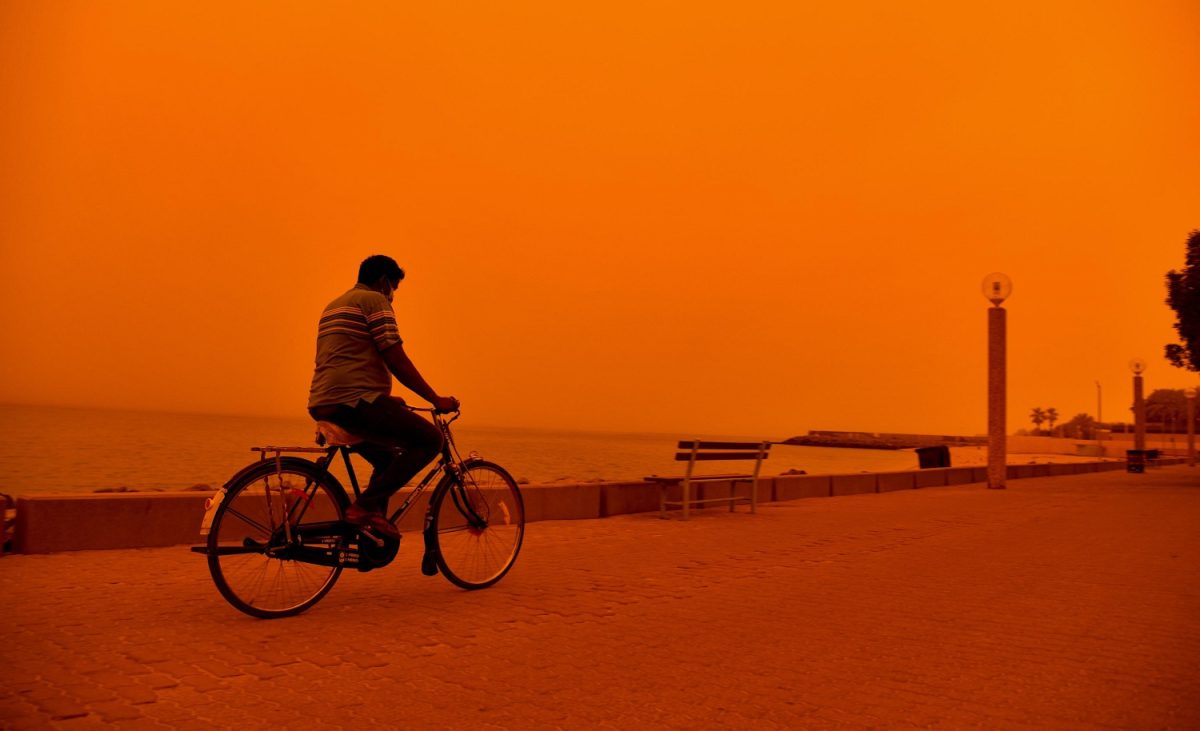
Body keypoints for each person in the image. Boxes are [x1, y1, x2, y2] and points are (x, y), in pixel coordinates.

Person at [307, 255, 458, 539]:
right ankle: (364, 508)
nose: (393, 297)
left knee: (388, 460)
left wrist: (384, 400)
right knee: (430, 440)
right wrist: (435, 399)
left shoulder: (334, 305)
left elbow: (348, 359)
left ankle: (369, 536)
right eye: (394, 289)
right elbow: (395, 357)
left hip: (325, 401)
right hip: (353, 403)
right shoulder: (375, 301)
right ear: (385, 281)